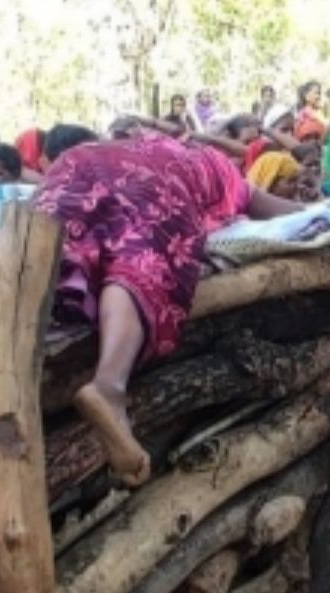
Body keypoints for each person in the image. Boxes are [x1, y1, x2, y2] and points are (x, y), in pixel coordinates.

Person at [35, 129, 303, 486]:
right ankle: (109, 384)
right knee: (145, 253)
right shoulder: (218, 169)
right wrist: (322, 211)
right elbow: (279, 209)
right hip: (150, 181)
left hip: (66, 179)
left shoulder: (105, 147)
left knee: (74, 236)